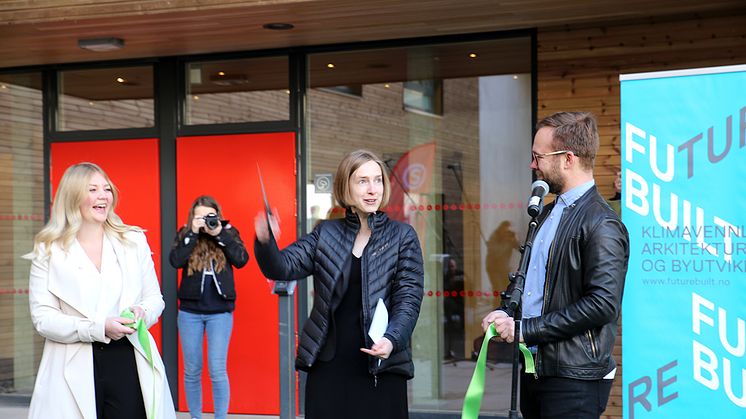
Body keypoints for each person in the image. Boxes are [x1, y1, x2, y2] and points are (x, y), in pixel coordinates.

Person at [254, 149, 424, 419]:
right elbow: (282, 267)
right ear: (346, 187)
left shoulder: (402, 236)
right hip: (330, 364)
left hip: (380, 363)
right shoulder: (326, 232)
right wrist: (265, 242)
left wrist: (392, 339)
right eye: (362, 181)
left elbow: (409, 299)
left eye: (378, 180)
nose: (372, 189)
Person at [481, 112, 629, 419]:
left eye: (538, 156)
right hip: (536, 368)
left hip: (574, 378)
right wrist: (507, 312)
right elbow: (533, 284)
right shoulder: (548, 213)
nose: (532, 165)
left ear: (568, 159)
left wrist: (527, 329)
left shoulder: (602, 223)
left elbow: (602, 305)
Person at [25, 162, 175, 419]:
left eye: (106, 189)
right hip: (71, 362)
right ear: (73, 197)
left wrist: (141, 311)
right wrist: (98, 327)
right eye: (93, 189)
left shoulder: (134, 240)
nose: (103, 195)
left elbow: (154, 299)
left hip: (128, 359)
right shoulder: (48, 250)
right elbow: (43, 318)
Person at [169, 195, 249, 419]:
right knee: (192, 370)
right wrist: (192, 233)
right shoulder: (185, 234)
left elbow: (242, 259)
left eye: (209, 216)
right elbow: (175, 261)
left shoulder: (228, 232)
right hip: (190, 313)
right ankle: (196, 416)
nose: (204, 221)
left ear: (218, 216)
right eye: (199, 217)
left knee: (217, 370)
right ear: (192, 218)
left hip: (220, 313)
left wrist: (219, 233)